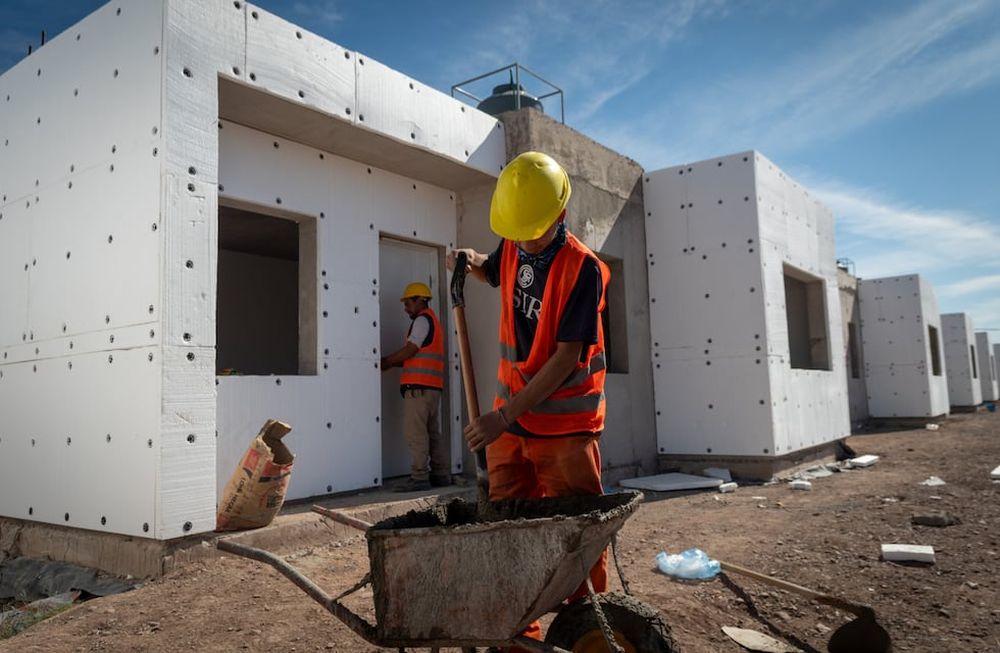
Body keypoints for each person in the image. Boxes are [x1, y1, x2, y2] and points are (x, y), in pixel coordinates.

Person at [446, 151, 610, 646]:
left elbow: (564, 360)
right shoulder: (518, 235)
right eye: (516, 231)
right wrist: (469, 259)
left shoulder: (584, 269)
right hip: (511, 429)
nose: (523, 240)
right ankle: (519, 636)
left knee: (577, 539)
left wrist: (501, 416)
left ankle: (588, 634)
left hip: (564, 430)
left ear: (559, 215)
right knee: (508, 535)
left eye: (532, 231)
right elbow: (494, 269)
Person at [380, 282, 451, 492]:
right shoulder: (433, 322)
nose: (405, 308)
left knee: (416, 433)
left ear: (420, 300)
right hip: (432, 388)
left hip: (419, 389)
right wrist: (394, 363)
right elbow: (417, 357)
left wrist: (387, 362)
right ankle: (441, 474)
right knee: (432, 433)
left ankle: (419, 477)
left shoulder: (422, 320)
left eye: (408, 303)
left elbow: (410, 350)